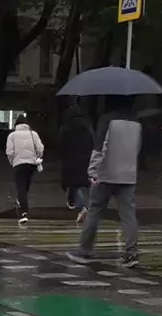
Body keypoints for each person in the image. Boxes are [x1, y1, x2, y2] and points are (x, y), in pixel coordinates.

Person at [69, 95, 143, 268]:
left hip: (106, 173)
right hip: (128, 174)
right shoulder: (137, 123)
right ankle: (131, 254)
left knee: (95, 211)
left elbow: (100, 147)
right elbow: (138, 148)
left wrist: (93, 170)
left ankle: (84, 250)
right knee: (128, 216)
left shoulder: (107, 120)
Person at [5, 116, 44, 226]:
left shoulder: (12, 136)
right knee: (26, 185)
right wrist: (37, 158)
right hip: (31, 164)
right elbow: (40, 148)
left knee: (21, 187)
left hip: (18, 164)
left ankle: (23, 212)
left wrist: (13, 162)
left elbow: (9, 152)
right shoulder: (33, 134)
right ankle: (21, 203)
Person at [59, 103, 94, 224]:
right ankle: (76, 204)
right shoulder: (87, 126)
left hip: (70, 157)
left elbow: (62, 145)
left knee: (73, 184)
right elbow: (92, 141)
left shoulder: (66, 127)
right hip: (85, 157)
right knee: (78, 182)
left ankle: (81, 206)